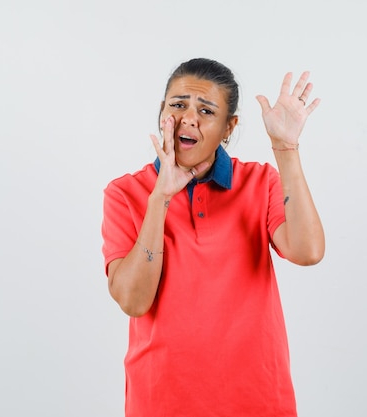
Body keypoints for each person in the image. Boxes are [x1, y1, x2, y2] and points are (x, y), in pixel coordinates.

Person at [101, 57, 325, 417]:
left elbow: (308, 251)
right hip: (161, 401)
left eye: (206, 111)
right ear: (162, 114)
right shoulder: (124, 193)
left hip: (259, 399)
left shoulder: (260, 182)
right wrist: (159, 198)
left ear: (228, 127)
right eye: (178, 105)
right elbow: (132, 301)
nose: (188, 118)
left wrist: (286, 150)